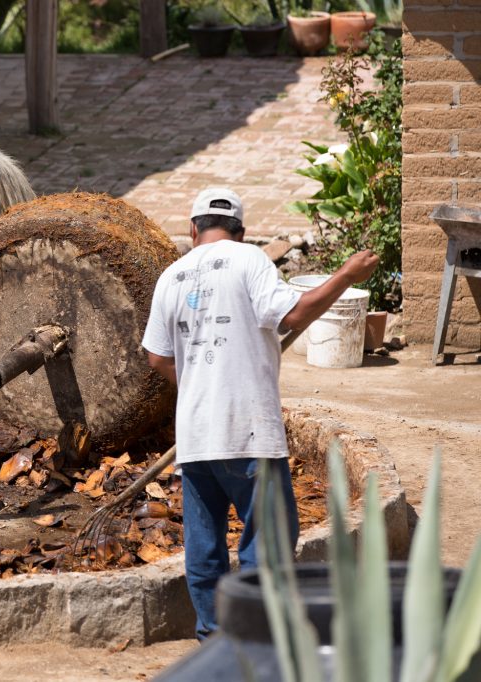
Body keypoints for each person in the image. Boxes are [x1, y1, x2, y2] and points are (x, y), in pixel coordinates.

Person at [141, 188, 379, 640]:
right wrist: (346, 274)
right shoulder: (249, 260)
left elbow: (157, 356)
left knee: (204, 548)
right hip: (249, 432)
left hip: (195, 438)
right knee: (266, 549)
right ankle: (260, 638)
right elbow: (292, 315)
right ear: (241, 232)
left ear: (193, 230)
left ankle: (214, 640)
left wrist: (196, 387)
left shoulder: (170, 276)